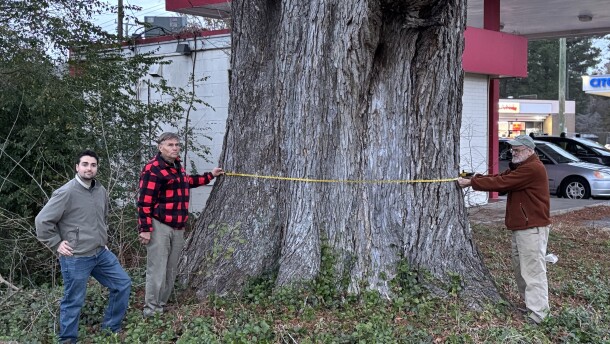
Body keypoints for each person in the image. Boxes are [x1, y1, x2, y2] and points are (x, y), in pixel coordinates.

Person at [35, 150, 132, 343]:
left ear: (97, 168)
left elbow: (101, 218)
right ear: (77, 167)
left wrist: (102, 240)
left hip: (100, 253)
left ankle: (110, 329)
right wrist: (56, 243)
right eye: (85, 164)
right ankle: (68, 340)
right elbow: (42, 221)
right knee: (74, 301)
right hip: (76, 257)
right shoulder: (66, 192)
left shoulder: (100, 190)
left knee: (122, 284)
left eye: (93, 165)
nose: (89, 168)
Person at [458, 134, 551, 324]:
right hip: (523, 226)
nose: (513, 153)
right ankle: (530, 307)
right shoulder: (522, 167)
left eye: (517, 150)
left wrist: (471, 183)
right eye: (512, 149)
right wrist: (476, 178)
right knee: (521, 269)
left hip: (532, 227)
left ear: (529, 151)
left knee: (533, 271)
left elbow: (501, 183)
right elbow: (500, 177)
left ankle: (539, 315)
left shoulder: (532, 169)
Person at [137, 132, 224, 317]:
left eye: (177, 145)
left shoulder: (177, 166)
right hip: (159, 224)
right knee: (157, 269)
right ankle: (151, 311)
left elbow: (187, 182)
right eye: (170, 145)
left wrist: (210, 176)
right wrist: (145, 229)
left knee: (171, 268)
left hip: (178, 226)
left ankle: (161, 304)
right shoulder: (153, 169)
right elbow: (144, 202)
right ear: (160, 147)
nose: (175, 148)